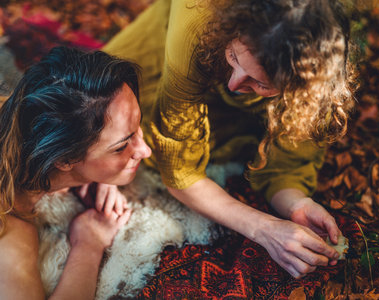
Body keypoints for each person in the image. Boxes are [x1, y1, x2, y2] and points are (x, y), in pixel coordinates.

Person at [104, 0, 354, 278]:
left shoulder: (306, 70)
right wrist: (264, 228)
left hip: (235, 107)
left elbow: (288, 164)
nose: (235, 83)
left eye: (260, 83)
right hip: (159, 66)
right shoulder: (197, 17)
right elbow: (179, 171)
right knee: (108, 126)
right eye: (235, 57)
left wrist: (296, 204)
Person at [0, 46, 152, 300]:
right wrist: (89, 244)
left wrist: (102, 172)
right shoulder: (11, 232)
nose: (145, 151)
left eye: (137, 129)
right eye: (122, 146)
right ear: (65, 158)